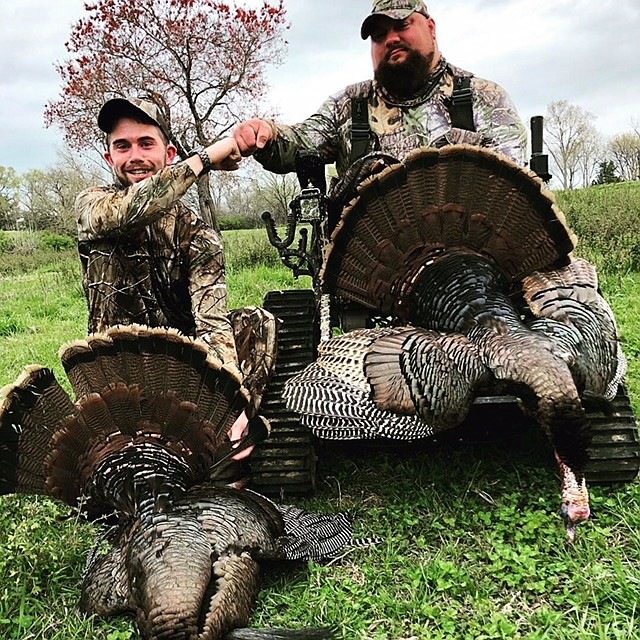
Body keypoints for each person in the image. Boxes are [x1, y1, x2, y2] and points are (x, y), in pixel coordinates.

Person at [76, 96, 276, 460]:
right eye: (123, 146)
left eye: (146, 143)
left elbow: (211, 324)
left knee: (256, 324)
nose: (134, 155)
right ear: (110, 158)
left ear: (169, 154)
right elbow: (132, 209)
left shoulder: (197, 233)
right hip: (117, 373)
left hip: (181, 373)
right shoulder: (93, 206)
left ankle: (233, 428)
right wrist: (207, 157)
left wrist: (227, 401)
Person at [234, 0, 527, 189]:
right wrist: (266, 134)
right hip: (372, 278)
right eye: (378, 36)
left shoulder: (485, 99)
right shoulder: (349, 105)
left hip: (471, 268)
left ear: (431, 27)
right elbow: (298, 144)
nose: (390, 39)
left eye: (401, 25)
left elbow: (514, 194)